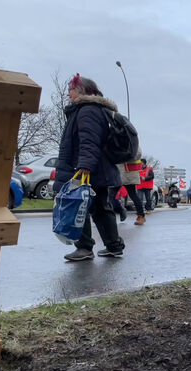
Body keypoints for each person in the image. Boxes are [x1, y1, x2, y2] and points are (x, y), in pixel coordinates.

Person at [53, 74, 125, 261]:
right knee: (101, 207)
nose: (68, 93)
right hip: (99, 168)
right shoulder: (96, 110)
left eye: (71, 89)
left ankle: (84, 248)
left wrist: (84, 166)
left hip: (86, 168)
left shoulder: (86, 111)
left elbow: (89, 141)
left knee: (79, 205)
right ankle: (114, 246)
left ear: (81, 91)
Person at [111, 146, 146, 225]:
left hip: (129, 173)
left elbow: (138, 153)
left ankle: (141, 216)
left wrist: (124, 156)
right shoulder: (113, 139)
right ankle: (119, 210)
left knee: (133, 194)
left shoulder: (131, 139)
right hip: (117, 172)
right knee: (110, 195)